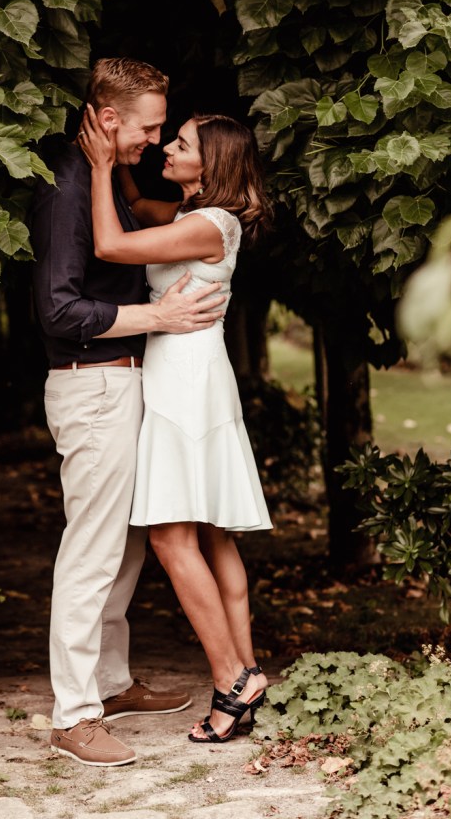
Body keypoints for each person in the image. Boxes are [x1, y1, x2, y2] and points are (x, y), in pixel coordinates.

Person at [29, 58, 227, 767]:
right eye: (146, 127)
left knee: (126, 544)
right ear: (108, 120)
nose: (152, 139)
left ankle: (109, 682)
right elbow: (56, 307)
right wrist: (157, 315)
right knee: (90, 550)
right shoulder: (67, 186)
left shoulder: (108, 178)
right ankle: (74, 713)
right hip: (92, 386)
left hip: (122, 381)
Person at [78, 105, 273, 744]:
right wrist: (120, 173)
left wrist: (102, 165)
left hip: (183, 383)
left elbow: (111, 242)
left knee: (171, 538)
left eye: (181, 144)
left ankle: (231, 682)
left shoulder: (207, 226)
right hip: (194, 375)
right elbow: (138, 205)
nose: (166, 148)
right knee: (215, 536)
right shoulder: (195, 217)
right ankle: (246, 672)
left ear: (208, 163)